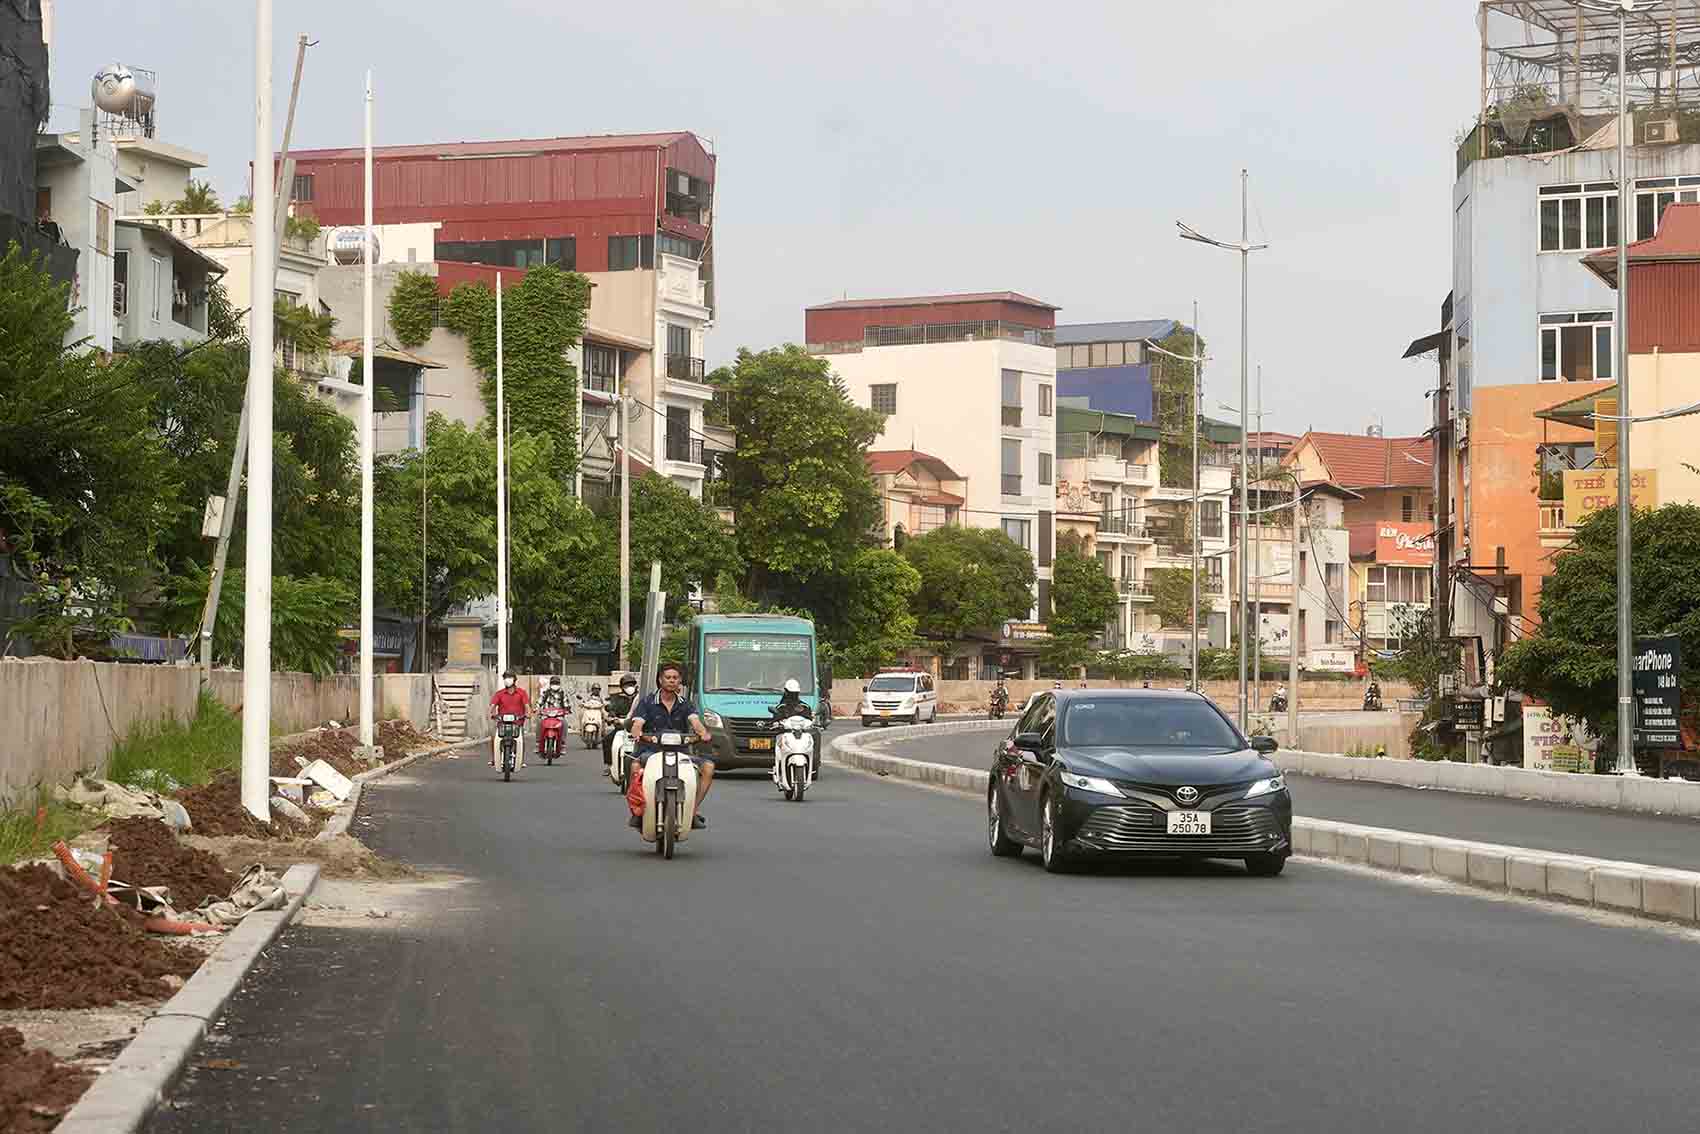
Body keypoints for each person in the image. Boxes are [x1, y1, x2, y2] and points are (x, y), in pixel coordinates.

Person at [627, 662, 713, 829]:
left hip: (681, 753)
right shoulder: (647, 702)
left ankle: (692, 810)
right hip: (652, 751)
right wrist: (637, 731)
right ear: (660, 680)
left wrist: (703, 733)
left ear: (679, 681)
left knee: (708, 767)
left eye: (675, 678)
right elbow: (638, 723)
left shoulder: (685, 703)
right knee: (635, 765)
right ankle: (638, 811)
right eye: (668, 677)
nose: (672, 681)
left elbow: (695, 722)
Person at [488, 670, 530, 769]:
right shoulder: (499, 693)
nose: (507, 680)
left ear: (514, 680)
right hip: (502, 722)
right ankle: (494, 758)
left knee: (521, 739)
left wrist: (528, 713)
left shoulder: (521, 693)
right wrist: (491, 713)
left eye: (509, 677)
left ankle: (521, 760)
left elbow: (527, 705)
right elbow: (492, 706)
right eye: (505, 678)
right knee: (494, 737)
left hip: (517, 722)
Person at [603, 673, 639, 768]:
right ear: (622, 687)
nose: (629, 687)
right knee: (607, 740)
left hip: (638, 728)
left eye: (631, 685)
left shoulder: (640, 698)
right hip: (621, 728)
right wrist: (612, 717)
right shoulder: (616, 698)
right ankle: (609, 765)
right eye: (627, 685)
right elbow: (611, 709)